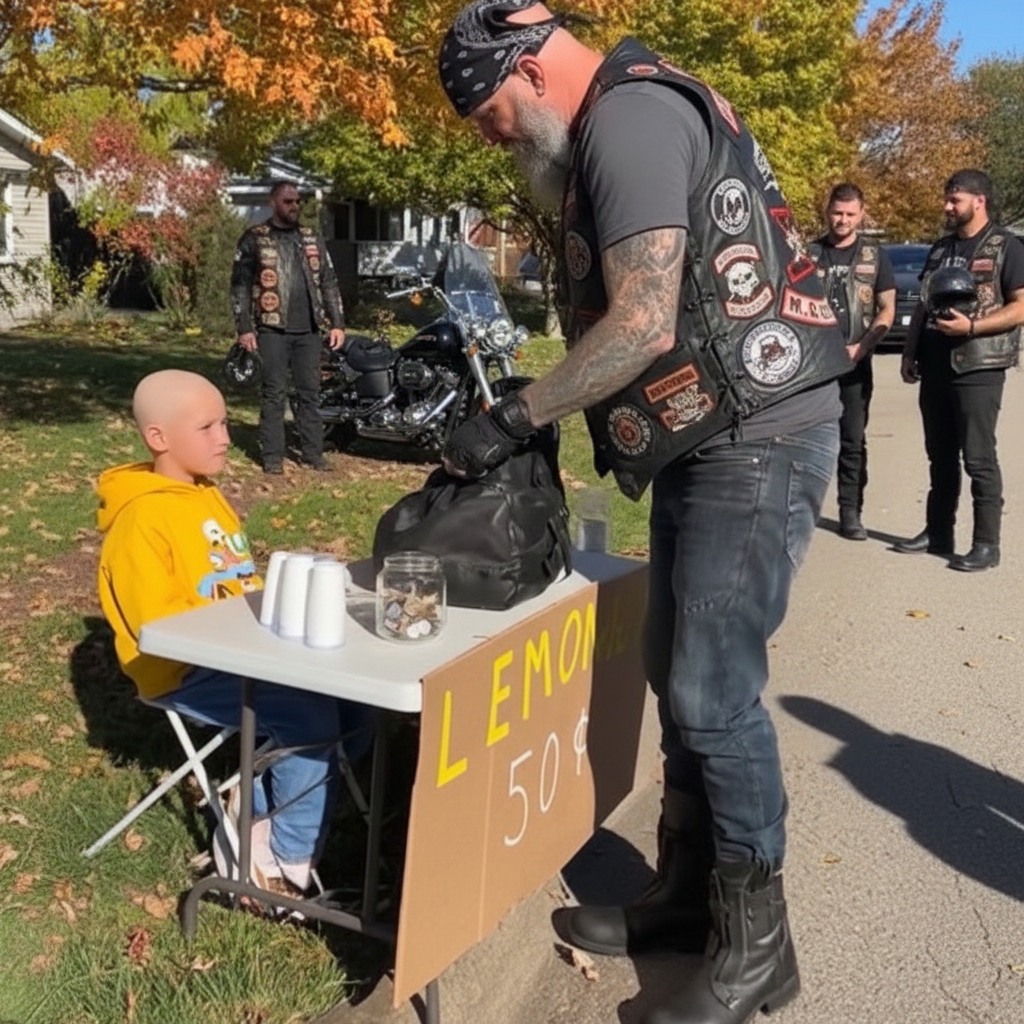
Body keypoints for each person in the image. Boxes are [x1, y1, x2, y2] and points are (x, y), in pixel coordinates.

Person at [437, 4, 852, 1022]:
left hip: (756, 434)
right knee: (676, 671)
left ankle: (760, 948)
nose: (490, 137)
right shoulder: (619, 117)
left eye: (487, 110)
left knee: (713, 692)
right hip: (706, 432)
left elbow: (641, 319)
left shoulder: (627, 120)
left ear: (530, 71)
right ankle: (681, 896)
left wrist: (513, 414)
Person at [96, 369, 368, 897]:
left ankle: (258, 800)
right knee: (308, 717)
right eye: (207, 427)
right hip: (184, 669)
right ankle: (284, 861)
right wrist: (247, 632)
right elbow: (160, 628)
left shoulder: (205, 494)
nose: (225, 437)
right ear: (159, 439)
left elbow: (233, 579)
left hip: (246, 650)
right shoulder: (140, 521)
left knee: (359, 705)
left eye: (224, 422)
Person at [895, 169, 1024, 571]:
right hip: (934, 364)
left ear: (979, 200)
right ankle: (938, 531)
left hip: (979, 365)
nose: (948, 207)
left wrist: (972, 327)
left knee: (979, 457)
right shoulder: (940, 249)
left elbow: (1020, 305)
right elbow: (921, 304)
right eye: (947, 199)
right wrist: (909, 351)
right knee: (941, 455)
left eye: (956, 200)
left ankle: (986, 544)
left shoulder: (1007, 246)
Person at [230, 180, 346, 475]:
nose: (295, 206)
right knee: (274, 393)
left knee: (310, 392)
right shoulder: (254, 238)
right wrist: (244, 328)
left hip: (308, 329)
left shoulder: (311, 238)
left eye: (298, 202)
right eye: (288, 201)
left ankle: (312, 453)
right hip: (272, 330)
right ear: (273, 203)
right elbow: (240, 286)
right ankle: (272, 457)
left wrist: (337, 322)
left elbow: (329, 281)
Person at [809, 183, 895, 540]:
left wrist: (861, 347)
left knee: (852, 441)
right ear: (827, 211)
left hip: (854, 365)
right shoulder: (807, 253)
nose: (842, 220)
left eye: (849, 214)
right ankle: (801, 510)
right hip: (811, 367)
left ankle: (850, 512)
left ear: (861, 214)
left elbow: (886, 309)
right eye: (836, 213)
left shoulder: (875, 257)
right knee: (806, 439)